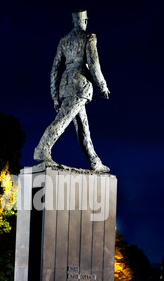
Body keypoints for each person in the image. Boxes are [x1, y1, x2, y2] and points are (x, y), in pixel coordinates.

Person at [34, 10, 110, 172]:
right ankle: (42, 148)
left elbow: (55, 69)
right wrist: (102, 85)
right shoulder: (89, 38)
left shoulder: (64, 41)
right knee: (63, 119)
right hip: (80, 85)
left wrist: (55, 96)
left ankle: (94, 161)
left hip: (66, 85)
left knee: (83, 127)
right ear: (85, 20)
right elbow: (94, 64)